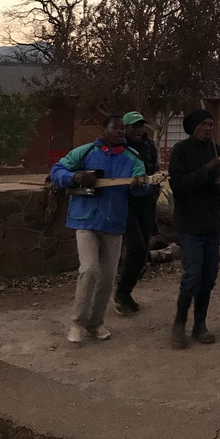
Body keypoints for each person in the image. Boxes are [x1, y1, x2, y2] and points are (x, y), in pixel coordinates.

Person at [50, 115, 149, 343]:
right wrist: (75, 176)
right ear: (103, 129)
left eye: (123, 128)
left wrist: (139, 186)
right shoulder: (85, 152)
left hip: (114, 223)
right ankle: (77, 324)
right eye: (115, 128)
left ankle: (96, 323)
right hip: (85, 221)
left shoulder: (133, 158)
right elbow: (57, 171)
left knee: (107, 276)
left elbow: (141, 190)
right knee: (89, 269)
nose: (120, 132)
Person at [169, 108, 220, 349]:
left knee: (209, 277)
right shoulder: (180, 151)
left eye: (211, 124)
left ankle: (200, 325)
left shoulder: (216, 150)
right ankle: (179, 324)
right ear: (193, 127)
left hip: (211, 222)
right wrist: (206, 171)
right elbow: (178, 186)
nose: (208, 128)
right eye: (204, 124)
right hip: (189, 223)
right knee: (192, 276)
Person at [114, 111, 160, 316]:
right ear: (125, 128)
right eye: (134, 126)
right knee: (135, 247)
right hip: (127, 204)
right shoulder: (120, 147)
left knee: (142, 251)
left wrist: (154, 192)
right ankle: (120, 293)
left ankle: (126, 291)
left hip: (147, 202)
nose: (139, 130)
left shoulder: (149, 146)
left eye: (141, 126)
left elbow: (155, 170)